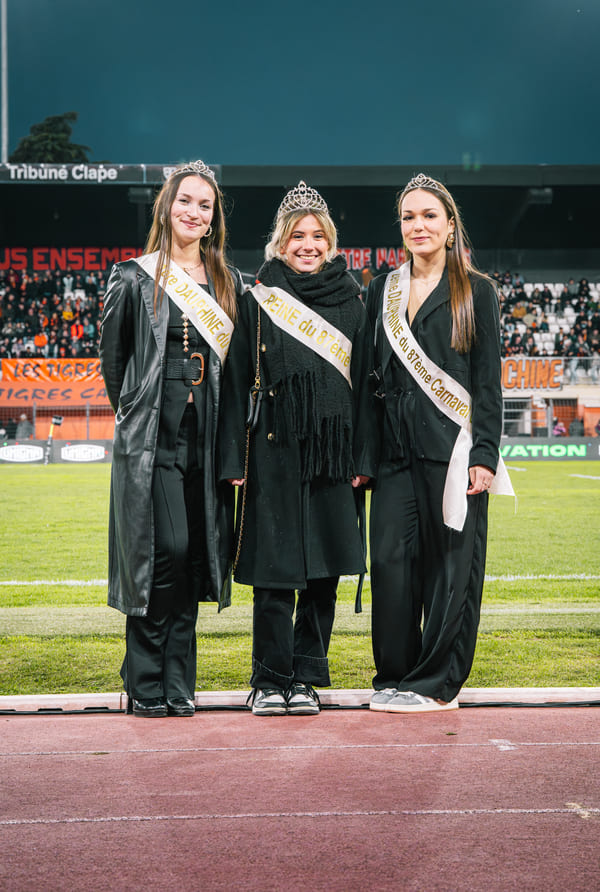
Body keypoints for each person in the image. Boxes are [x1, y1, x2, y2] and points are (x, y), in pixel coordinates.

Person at [219, 181, 377, 716]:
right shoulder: (257, 298)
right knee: (273, 569)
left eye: (316, 236)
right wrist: (232, 462)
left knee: (323, 571)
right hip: (273, 452)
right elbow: (236, 382)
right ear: (279, 243)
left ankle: (307, 675)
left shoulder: (354, 302)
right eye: (296, 236)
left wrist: (363, 459)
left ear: (330, 242)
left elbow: (366, 389)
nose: (307, 245)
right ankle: (269, 678)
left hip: (334, 458)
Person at [100, 160, 243, 718]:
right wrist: (140, 417)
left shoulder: (228, 282)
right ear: (167, 207)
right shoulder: (133, 276)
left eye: (204, 205)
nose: (194, 211)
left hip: (205, 444)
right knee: (164, 553)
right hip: (152, 443)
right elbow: (116, 367)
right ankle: (143, 676)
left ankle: (177, 681)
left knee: (194, 559)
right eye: (185, 200)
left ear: (213, 219)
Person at [366, 173, 513, 714]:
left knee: (452, 571)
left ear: (450, 225)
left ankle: (437, 684)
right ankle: (396, 677)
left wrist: (485, 455)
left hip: (453, 453)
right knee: (390, 565)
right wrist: (365, 456)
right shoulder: (381, 289)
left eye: (429, 215)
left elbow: (487, 381)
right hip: (393, 454)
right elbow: (367, 380)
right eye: (409, 217)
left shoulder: (476, 290)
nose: (418, 225)